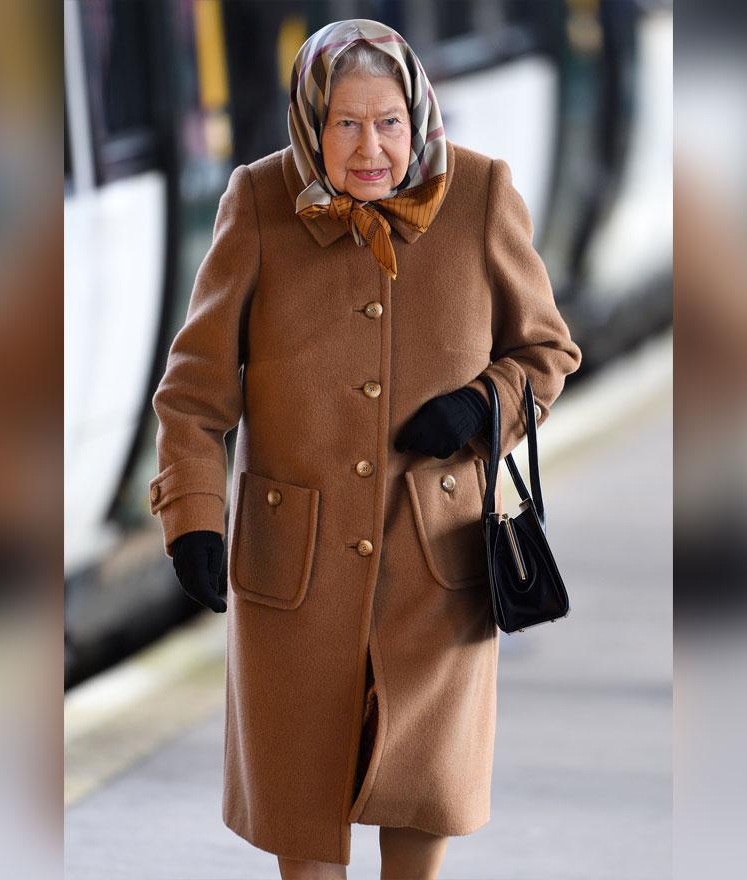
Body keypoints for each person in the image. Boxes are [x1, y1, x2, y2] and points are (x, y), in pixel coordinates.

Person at [147, 19, 581, 879]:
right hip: (294, 575)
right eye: (346, 123)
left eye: (389, 122)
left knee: (420, 809)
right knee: (304, 818)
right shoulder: (261, 201)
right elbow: (194, 394)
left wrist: (478, 405)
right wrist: (192, 516)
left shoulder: (482, 194)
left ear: (418, 116)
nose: (371, 148)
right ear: (312, 124)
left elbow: (547, 351)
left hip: (439, 569)